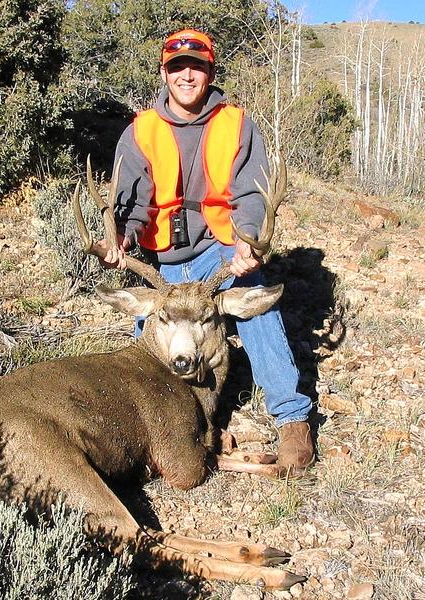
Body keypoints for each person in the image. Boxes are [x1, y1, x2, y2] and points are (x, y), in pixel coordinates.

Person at [99, 28, 314, 471]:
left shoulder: (236, 124)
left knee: (256, 306)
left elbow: (250, 194)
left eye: (195, 66)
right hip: (163, 263)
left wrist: (246, 241)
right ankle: (165, 431)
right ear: (164, 73)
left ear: (209, 71)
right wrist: (122, 237)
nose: (186, 75)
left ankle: (292, 418)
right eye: (177, 67)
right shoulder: (141, 131)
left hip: (218, 251)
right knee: (149, 349)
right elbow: (133, 204)